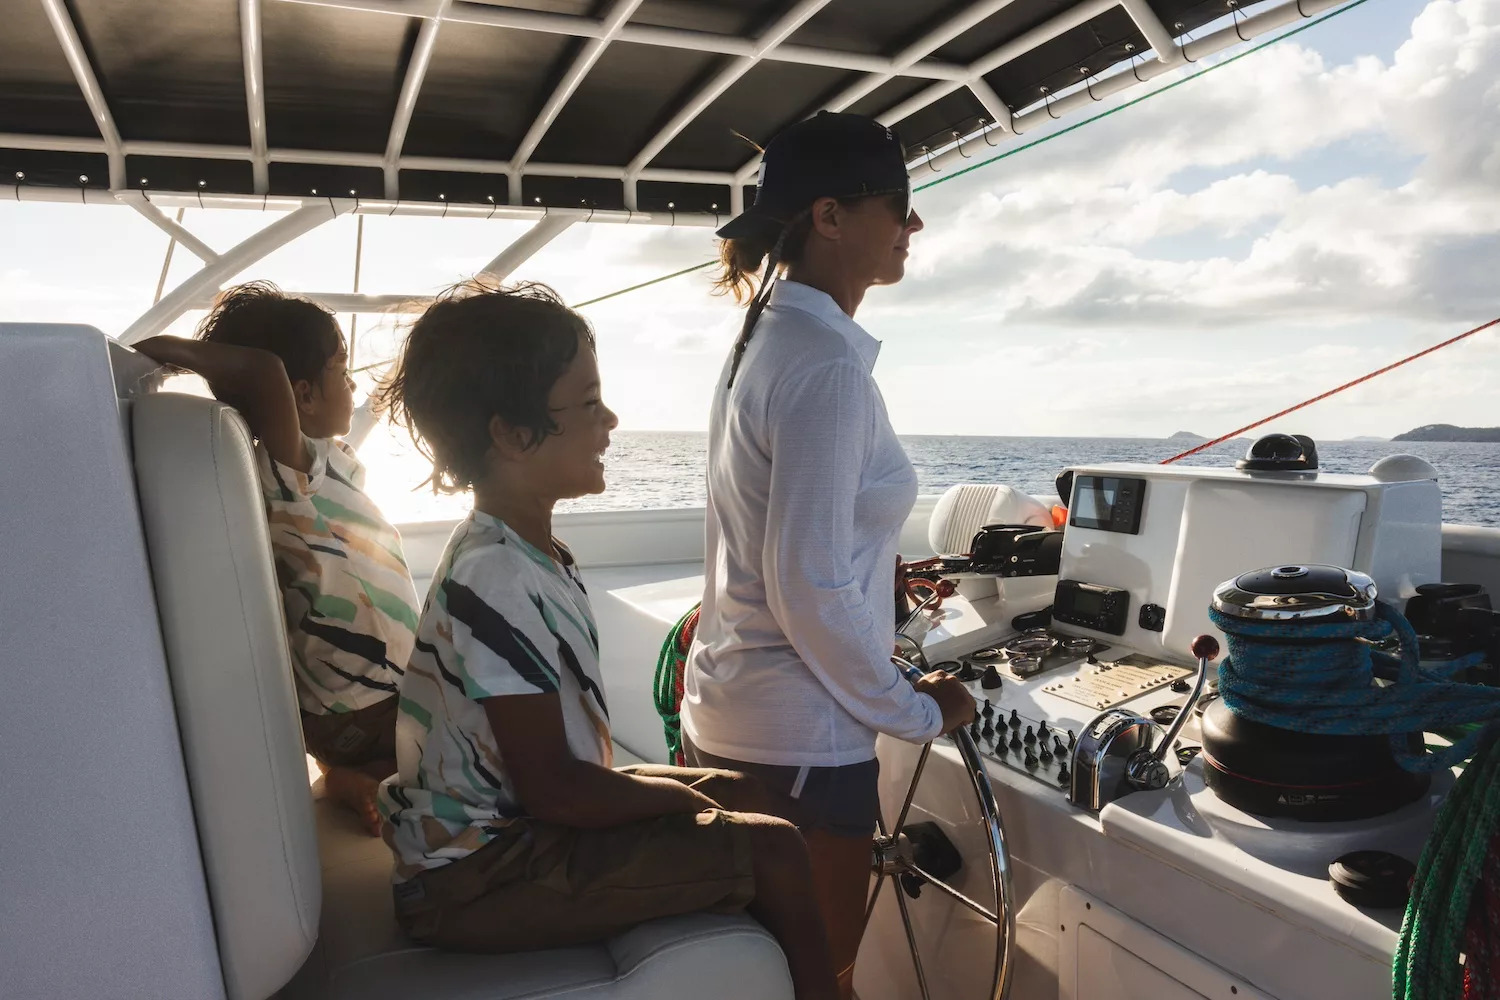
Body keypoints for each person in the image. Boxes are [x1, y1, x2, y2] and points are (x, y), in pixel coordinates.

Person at [373, 280, 838, 1000]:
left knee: (747, 791)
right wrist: (691, 807)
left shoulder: (529, 552)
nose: (611, 420)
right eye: (588, 404)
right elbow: (555, 791)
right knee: (772, 848)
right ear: (512, 433)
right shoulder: (496, 574)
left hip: (514, 838)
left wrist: (710, 798)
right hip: (471, 877)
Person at [680, 111, 977, 998]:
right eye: (899, 203)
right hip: (800, 739)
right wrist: (913, 710)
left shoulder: (763, 339)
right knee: (826, 981)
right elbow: (806, 582)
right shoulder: (827, 367)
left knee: (775, 977)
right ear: (830, 217)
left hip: (733, 710)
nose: (913, 224)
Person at [133, 282, 419, 835]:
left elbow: (268, 375)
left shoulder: (324, 460)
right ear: (303, 396)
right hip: (367, 706)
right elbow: (265, 371)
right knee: (491, 748)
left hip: (358, 707)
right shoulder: (291, 476)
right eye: (342, 367)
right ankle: (359, 777)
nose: (354, 381)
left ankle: (358, 776)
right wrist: (178, 352)